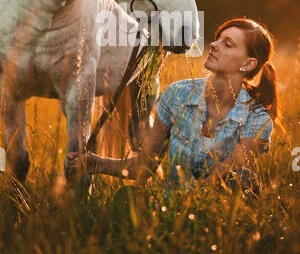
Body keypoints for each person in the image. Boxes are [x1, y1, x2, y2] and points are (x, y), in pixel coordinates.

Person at [67, 18, 280, 191]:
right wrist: (96, 163)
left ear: (248, 64)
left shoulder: (258, 115)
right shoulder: (178, 94)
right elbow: (144, 166)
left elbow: (229, 172)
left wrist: (189, 198)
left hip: (218, 205)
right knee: (129, 196)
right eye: (217, 39)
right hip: (170, 207)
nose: (214, 45)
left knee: (243, 180)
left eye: (228, 44)